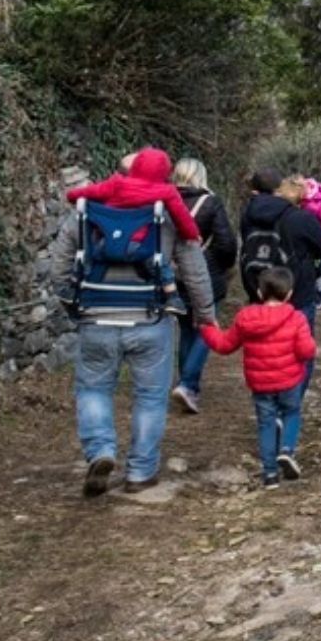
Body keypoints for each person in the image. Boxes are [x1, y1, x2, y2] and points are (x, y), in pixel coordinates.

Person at [47, 152, 214, 497]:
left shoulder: (87, 210)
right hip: (150, 319)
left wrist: (72, 305)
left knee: (93, 389)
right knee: (150, 397)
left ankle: (101, 451)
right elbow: (195, 270)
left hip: (96, 317)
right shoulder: (167, 213)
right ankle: (140, 471)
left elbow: (59, 268)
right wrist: (205, 315)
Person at [200, 267, 316, 487]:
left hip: (260, 384)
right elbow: (306, 351)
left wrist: (207, 329)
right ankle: (287, 450)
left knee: (266, 423)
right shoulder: (297, 318)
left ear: (260, 294)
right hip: (289, 381)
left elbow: (225, 345)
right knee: (291, 412)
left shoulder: (246, 318)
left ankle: (270, 474)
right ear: (290, 293)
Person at [237, 170, 321, 397]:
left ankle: (268, 403)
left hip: (259, 291)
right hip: (297, 293)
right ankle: (290, 404)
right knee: (300, 352)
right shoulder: (301, 218)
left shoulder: (248, 215)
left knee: (264, 352)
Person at [170, 157, 238, 415]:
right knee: (206, 328)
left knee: (186, 329)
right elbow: (226, 243)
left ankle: (188, 384)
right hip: (206, 274)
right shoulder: (210, 203)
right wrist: (222, 266)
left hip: (174, 276)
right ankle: (188, 384)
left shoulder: (164, 202)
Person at [65, 148, 204, 243]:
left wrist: (71, 195)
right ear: (166, 171)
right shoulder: (167, 191)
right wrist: (192, 235)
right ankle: (168, 284)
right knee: (162, 268)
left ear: (136, 165)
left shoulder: (115, 184)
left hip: (108, 240)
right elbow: (182, 217)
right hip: (142, 247)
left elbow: (82, 193)